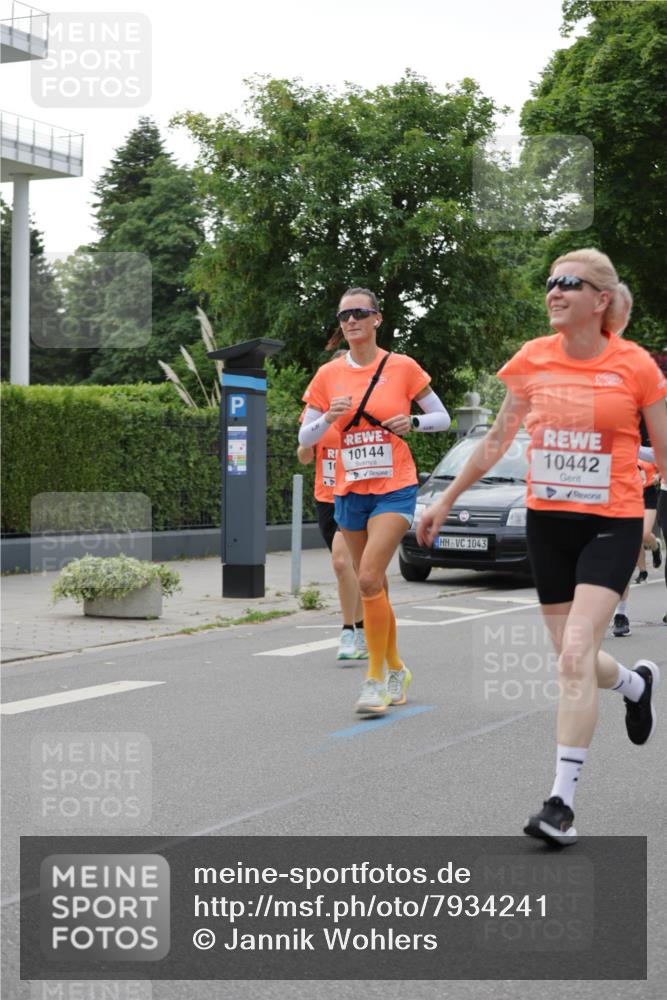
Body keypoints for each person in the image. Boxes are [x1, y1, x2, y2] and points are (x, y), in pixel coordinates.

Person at [417, 248, 667, 845]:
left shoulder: (635, 366)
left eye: (568, 283)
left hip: (613, 522)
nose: (553, 291)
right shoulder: (532, 359)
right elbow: (496, 440)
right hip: (548, 524)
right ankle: (635, 685)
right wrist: (446, 499)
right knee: (572, 658)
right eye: (550, 282)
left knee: (576, 655)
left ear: (600, 299)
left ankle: (560, 803)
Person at [298, 287, 451, 716]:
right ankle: (397, 667)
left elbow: (442, 417)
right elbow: (304, 439)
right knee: (376, 586)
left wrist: (414, 422)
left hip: (395, 485)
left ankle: (374, 680)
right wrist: (327, 417)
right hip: (349, 491)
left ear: (376, 319)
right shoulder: (328, 375)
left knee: (366, 578)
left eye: (359, 313)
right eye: (344, 315)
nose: (350, 321)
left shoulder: (401, 367)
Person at [297, 351, 368, 661]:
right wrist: (308, 449)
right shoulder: (319, 412)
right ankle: (364, 628)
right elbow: (302, 452)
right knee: (350, 569)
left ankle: (349, 630)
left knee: (342, 563)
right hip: (325, 497)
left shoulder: (365, 412)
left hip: (353, 494)